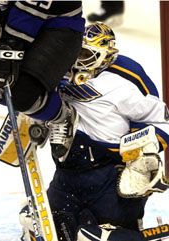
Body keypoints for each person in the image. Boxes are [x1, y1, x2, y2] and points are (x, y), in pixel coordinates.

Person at [19, 22, 169, 241]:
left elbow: (163, 121)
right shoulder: (56, 73)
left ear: (105, 55)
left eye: (85, 54)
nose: (77, 61)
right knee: (43, 228)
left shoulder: (122, 84)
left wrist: (142, 156)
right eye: (74, 53)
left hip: (110, 179)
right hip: (66, 175)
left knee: (96, 236)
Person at [0, 0, 85, 162]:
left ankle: (61, 115)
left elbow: (32, 10)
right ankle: (38, 103)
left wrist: (11, 46)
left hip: (59, 26)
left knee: (22, 94)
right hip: (13, 15)